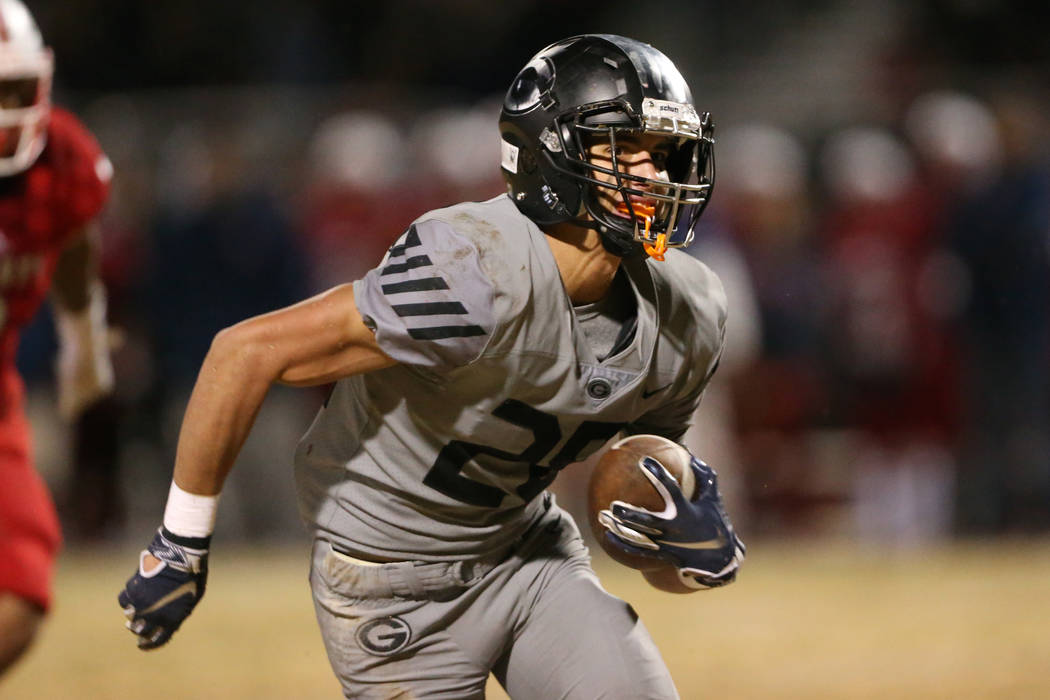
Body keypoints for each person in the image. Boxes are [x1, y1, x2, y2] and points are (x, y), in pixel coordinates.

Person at [119, 34, 744, 699]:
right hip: (390, 581)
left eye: (668, 154)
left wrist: (689, 551)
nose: (655, 176)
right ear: (551, 152)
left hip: (526, 553)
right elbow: (243, 351)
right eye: (626, 150)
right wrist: (182, 541)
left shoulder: (690, 309)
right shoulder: (475, 270)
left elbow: (639, 507)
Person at [0, 0, 114, 675]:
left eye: (12, 90)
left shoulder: (63, 162)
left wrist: (83, 336)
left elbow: (73, 240)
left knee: (23, 593)